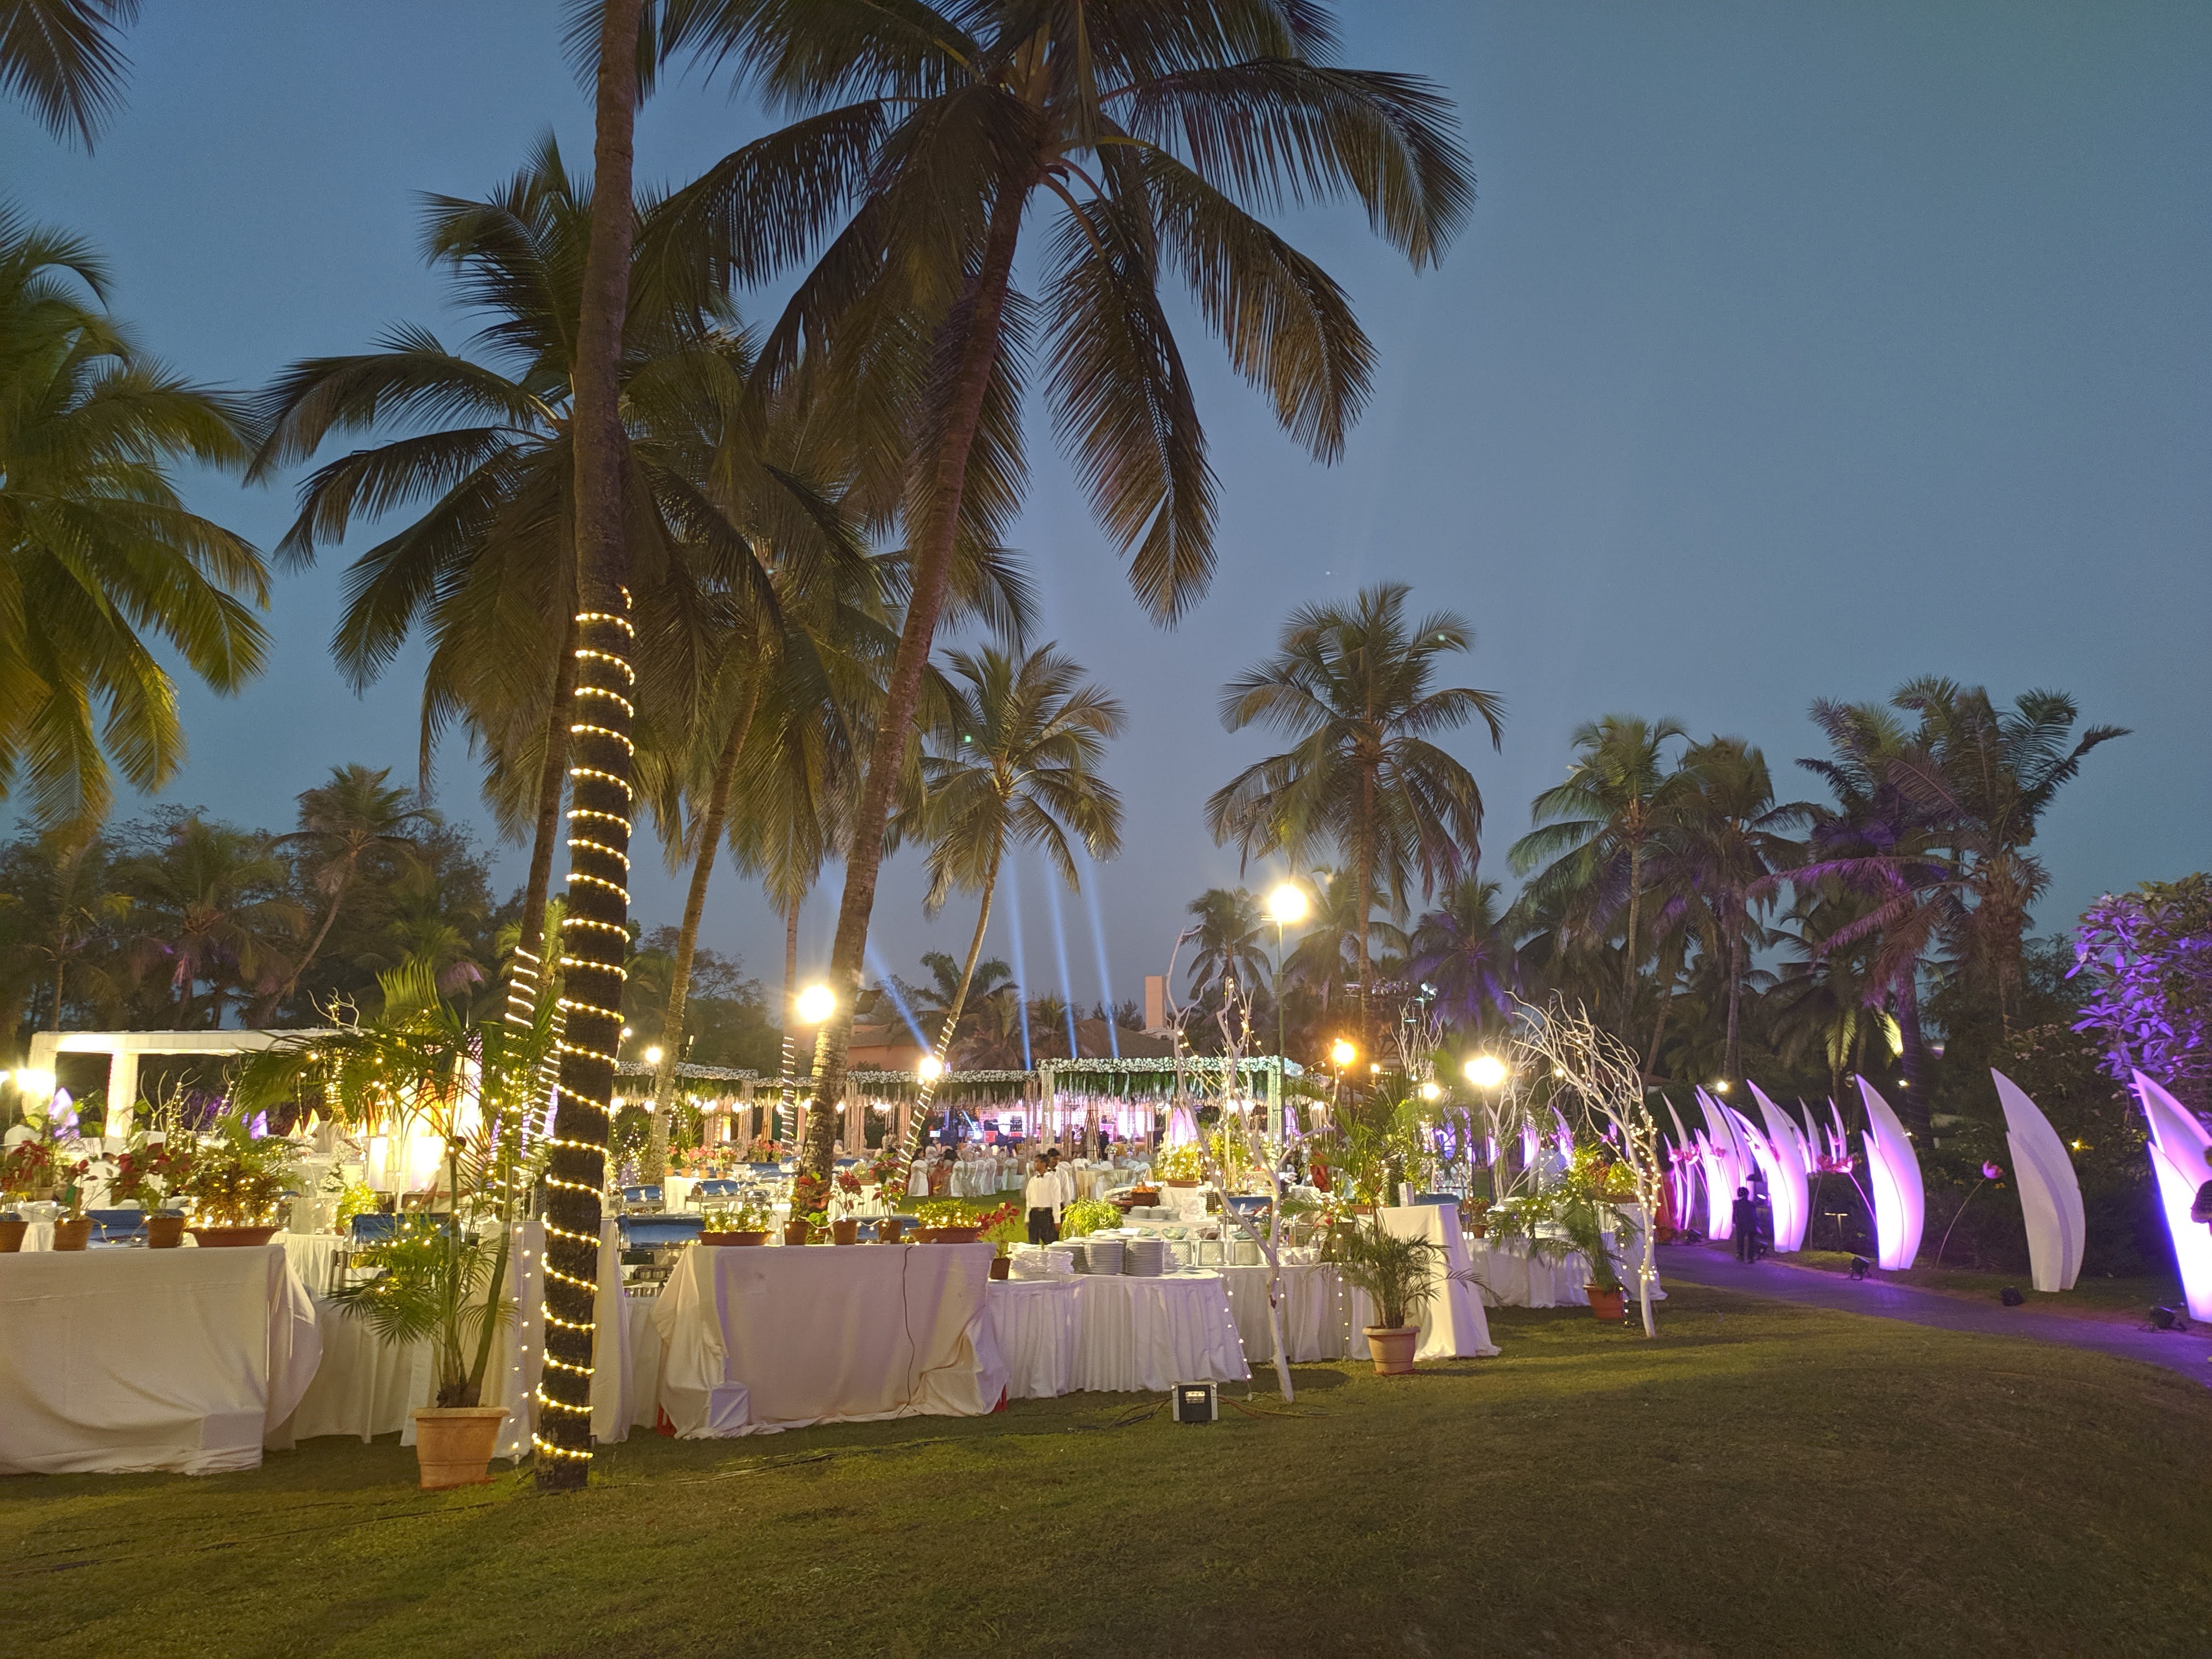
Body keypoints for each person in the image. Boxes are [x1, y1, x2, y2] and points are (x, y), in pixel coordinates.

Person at [1024, 1155, 1062, 1244]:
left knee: (1051, 1244)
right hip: (1034, 1215)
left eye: (1037, 1161)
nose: (1034, 1164)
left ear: (1044, 1164)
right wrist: (1027, 1219)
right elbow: (1029, 1201)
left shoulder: (1053, 1180)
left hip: (1047, 1215)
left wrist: (1057, 1221)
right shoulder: (1032, 1180)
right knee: (1033, 1244)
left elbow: (1056, 1202)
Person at [1731, 1186, 1759, 1262]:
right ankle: (1751, 1257)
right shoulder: (1752, 1204)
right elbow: (1755, 1215)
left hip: (1741, 1224)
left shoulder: (1737, 1203)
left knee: (1741, 1240)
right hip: (1752, 1224)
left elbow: (1735, 1214)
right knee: (1751, 1241)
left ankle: (1741, 1255)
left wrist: (1735, 1222)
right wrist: (1757, 1225)